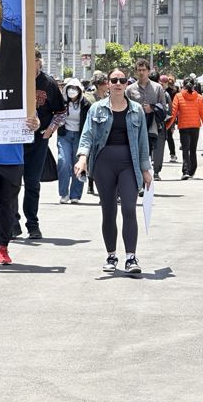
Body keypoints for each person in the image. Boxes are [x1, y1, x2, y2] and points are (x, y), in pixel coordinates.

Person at [74, 68, 152, 274]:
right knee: (108, 211)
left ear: (127, 84)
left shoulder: (136, 110)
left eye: (122, 80)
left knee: (128, 208)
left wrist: (146, 169)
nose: (118, 83)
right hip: (103, 164)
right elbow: (87, 136)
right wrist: (82, 158)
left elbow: (143, 141)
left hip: (129, 163)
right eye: (114, 80)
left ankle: (131, 258)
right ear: (107, 84)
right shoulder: (96, 109)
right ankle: (111, 256)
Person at [0, 116, 41, 267]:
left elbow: (34, 119)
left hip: (14, 159)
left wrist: (36, 124)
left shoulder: (23, 95)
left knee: (8, 204)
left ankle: (3, 247)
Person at [16, 49, 66, 239]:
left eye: (34, 60)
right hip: (16, 140)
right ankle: (13, 222)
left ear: (40, 62)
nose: (30, 63)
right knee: (12, 183)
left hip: (38, 141)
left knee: (32, 183)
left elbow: (61, 112)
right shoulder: (15, 79)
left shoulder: (49, 83)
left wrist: (50, 130)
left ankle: (32, 224)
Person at [126, 59, 166, 181]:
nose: (142, 72)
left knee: (146, 155)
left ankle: (144, 182)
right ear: (135, 72)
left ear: (149, 71)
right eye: (139, 70)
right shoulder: (130, 89)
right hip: (134, 127)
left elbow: (164, 107)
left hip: (151, 127)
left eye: (144, 70)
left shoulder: (157, 88)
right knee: (133, 155)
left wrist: (152, 108)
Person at [166, 76, 203, 180]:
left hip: (184, 126)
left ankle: (185, 171)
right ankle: (192, 170)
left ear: (183, 85)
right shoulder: (199, 97)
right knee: (193, 150)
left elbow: (174, 112)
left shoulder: (178, 96)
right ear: (193, 85)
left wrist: (167, 126)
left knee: (185, 149)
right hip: (195, 126)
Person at [56, 78, 91, 204]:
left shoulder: (86, 104)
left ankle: (75, 194)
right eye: (70, 88)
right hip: (64, 135)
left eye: (75, 88)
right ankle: (63, 193)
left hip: (80, 136)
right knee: (63, 162)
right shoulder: (61, 102)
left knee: (79, 164)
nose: (72, 91)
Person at [84, 71, 109, 196]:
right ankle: (90, 182)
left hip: (106, 134)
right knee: (91, 160)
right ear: (99, 85)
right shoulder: (89, 98)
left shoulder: (109, 98)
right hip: (92, 133)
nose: (108, 85)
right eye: (105, 83)